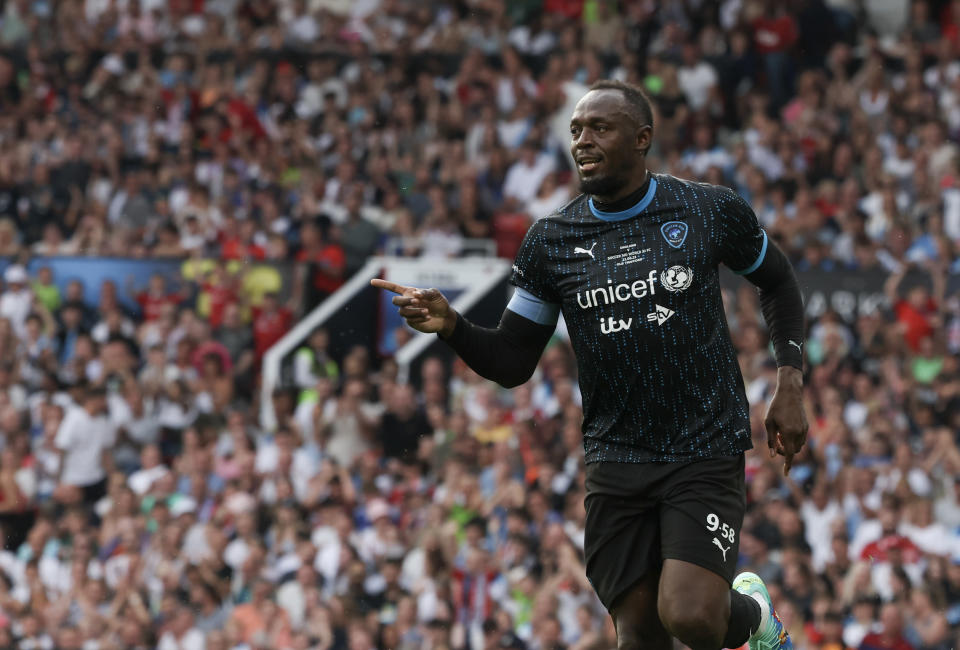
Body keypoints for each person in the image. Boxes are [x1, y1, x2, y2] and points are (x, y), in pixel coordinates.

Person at [372, 80, 807, 650]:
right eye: (576, 130)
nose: (583, 141)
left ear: (642, 138)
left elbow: (778, 282)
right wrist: (453, 326)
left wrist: (791, 381)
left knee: (692, 617)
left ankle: (756, 621)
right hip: (615, 458)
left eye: (600, 128)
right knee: (639, 634)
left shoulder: (708, 209)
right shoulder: (551, 242)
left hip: (702, 445)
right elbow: (511, 361)